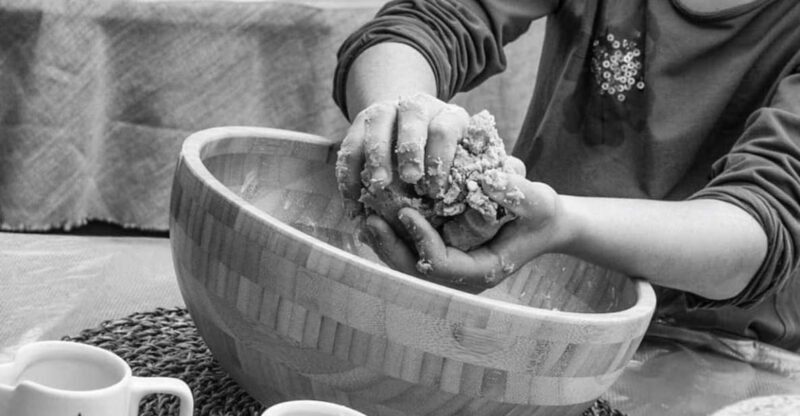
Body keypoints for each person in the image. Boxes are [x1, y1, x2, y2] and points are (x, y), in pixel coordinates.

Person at [331, 0, 800, 351]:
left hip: (715, 344)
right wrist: (401, 116)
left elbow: (760, 227)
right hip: (534, 300)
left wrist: (560, 221)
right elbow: (426, 21)